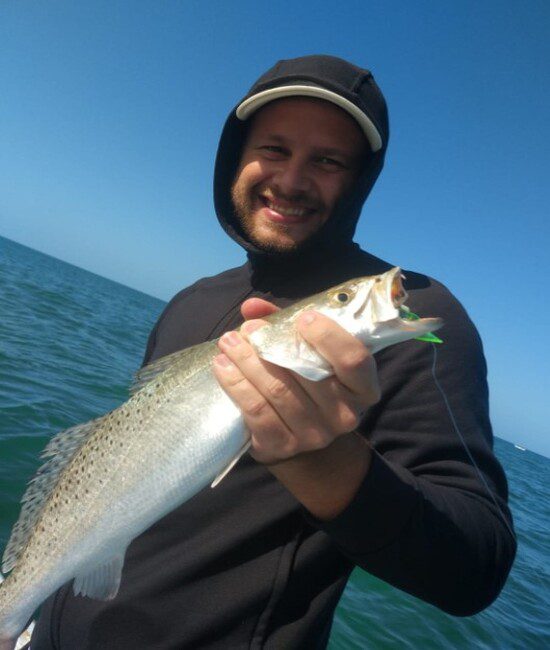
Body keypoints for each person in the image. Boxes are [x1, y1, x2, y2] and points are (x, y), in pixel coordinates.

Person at [31, 55, 516, 649]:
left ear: (360, 181)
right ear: (235, 155)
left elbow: (476, 568)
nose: (290, 180)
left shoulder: (413, 310)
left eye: (328, 161)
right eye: (275, 148)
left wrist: (330, 464)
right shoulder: (191, 299)